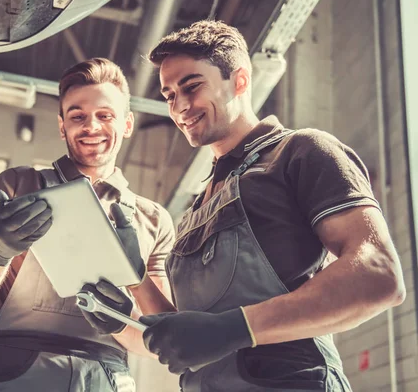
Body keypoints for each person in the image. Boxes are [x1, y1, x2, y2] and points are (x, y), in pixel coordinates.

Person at [131, 20, 406, 391]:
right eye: (168, 96)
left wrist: (236, 328)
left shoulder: (301, 152)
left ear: (240, 80)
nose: (179, 107)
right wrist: (133, 283)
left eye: (192, 87)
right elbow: (190, 334)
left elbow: (378, 274)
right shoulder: (195, 210)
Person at [0, 57, 175, 391]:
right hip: (14, 373)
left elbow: (155, 342)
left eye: (105, 115)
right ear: (62, 125)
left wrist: (120, 323)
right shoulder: (18, 186)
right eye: (77, 115)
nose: (91, 126)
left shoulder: (153, 219)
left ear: (127, 124)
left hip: (106, 379)